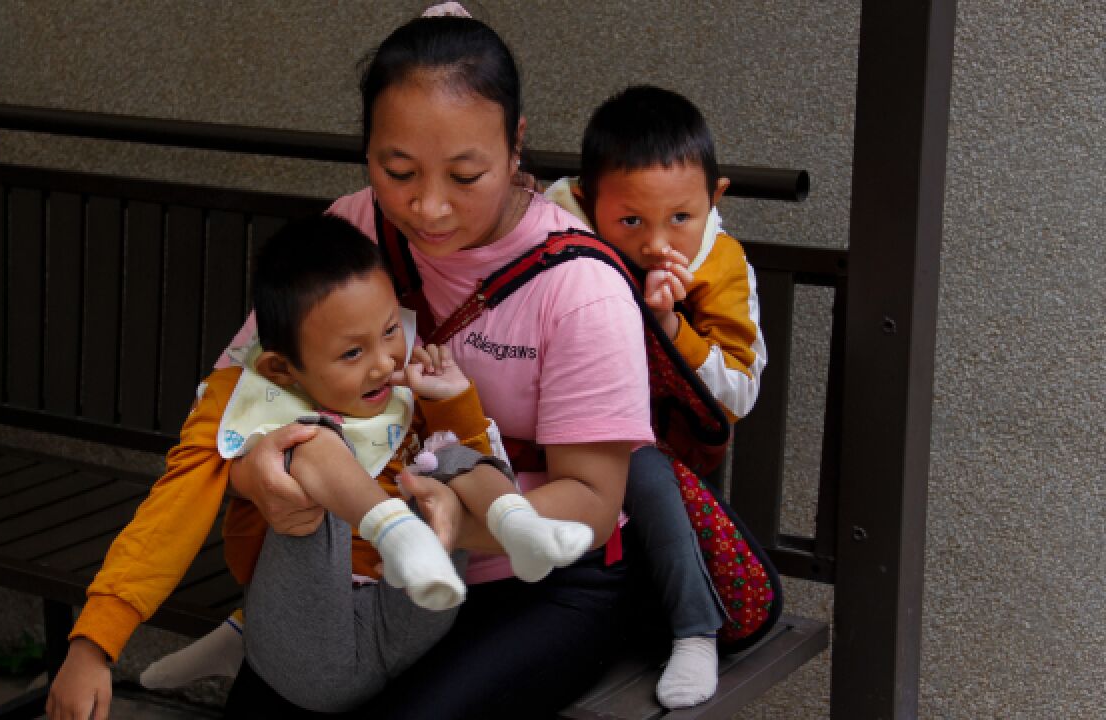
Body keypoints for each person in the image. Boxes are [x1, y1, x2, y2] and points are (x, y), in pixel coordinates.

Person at [219, 11, 656, 720]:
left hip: (536, 579)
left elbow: (593, 504)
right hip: (364, 563)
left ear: (515, 146)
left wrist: (449, 519)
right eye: (397, 172)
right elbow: (246, 397)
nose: (427, 207)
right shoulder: (354, 228)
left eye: (465, 174)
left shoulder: (581, 288)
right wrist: (257, 475)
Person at [46, 214, 594, 718]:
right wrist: (94, 644)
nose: (383, 362)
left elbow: (471, 455)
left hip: (419, 605)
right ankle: (394, 531)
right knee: (308, 444)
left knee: (447, 455)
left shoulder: (399, 376)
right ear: (281, 368)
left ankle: (519, 526)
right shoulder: (240, 400)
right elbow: (166, 520)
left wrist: (452, 402)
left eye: (388, 333)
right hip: (315, 644)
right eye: (352, 354)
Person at [543, 84, 767, 707]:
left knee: (634, 458)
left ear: (713, 199)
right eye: (631, 221)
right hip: (555, 424)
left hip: (667, 448)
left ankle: (695, 630)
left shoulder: (721, 268)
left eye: (680, 218)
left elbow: (739, 391)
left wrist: (672, 329)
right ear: (589, 204)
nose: (655, 242)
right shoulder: (561, 234)